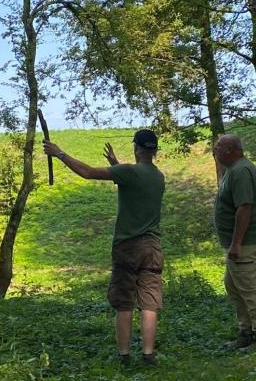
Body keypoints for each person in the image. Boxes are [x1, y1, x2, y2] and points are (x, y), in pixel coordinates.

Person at [43, 129, 165, 367]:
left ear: (137, 149)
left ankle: (125, 356)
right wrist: (115, 165)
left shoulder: (129, 172)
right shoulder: (157, 176)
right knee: (149, 302)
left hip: (128, 246)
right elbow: (134, 184)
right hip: (152, 246)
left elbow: (87, 172)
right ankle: (149, 355)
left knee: (125, 302)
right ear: (154, 150)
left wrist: (59, 153)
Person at [212, 133, 256, 353]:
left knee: (249, 289)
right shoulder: (232, 170)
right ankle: (246, 332)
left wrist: (237, 243)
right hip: (238, 243)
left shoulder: (241, 171)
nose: (214, 150)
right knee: (234, 286)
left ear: (231, 150)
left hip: (247, 243)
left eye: (218, 147)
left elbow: (244, 208)